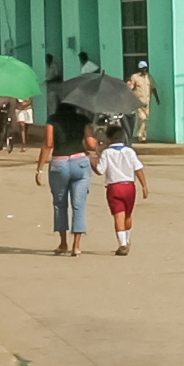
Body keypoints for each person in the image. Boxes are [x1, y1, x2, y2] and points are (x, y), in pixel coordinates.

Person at [47, 96, 95, 254]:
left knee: (60, 204)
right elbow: (90, 144)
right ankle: (76, 245)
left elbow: (49, 143)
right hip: (80, 162)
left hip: (59, 163)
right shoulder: (83, 119)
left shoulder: (52, 119)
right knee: (78, 205)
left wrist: (39, 168)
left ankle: (63, 243)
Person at [98, 134, 145, 252]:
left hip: (114, 187)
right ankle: (127, 239)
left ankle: (122, 244)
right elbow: (138, 169)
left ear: (109, 139)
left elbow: (100, 170)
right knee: (128, 214)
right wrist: (144, 186)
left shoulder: (107, 153)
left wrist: (93, 161)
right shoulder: (130, 151)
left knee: (119, 215)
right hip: (129, 186)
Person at [127, 59, 154, 143]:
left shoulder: (149, 77)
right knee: (142, 118)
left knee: (145, 119)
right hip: (138, 101)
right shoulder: (135, 77)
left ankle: (142, 136)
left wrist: (157, 98)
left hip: (147, 101)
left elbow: (153, 87)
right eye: (142, 68)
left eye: (145, 68)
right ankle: (140, 135)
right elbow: (130, 87)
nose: (144, 69)